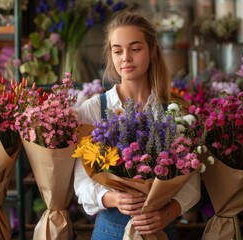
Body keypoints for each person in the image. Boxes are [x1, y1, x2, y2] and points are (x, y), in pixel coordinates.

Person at [74, 10, 201, 240]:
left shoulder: (174, 111)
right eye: (118, 50)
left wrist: (167, 214)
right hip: (110, 230)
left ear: (152, 51)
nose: (126, 58)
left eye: (135, 49)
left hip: (159, 228)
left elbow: (192, 183)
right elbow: (81, 184)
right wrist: (114, 199)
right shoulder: (93, 110)